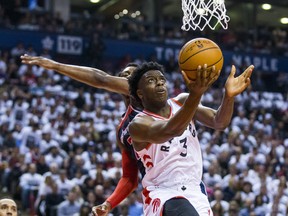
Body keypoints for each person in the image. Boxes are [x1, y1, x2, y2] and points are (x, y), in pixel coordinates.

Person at [126, 61, 253, 215]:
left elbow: (219, 122)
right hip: (163, 192)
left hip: (194, 190)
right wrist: (196, 94)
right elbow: (172, 130)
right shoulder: (138, 124)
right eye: (151, 81)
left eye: (161, 79)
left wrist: (229, 96)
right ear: (140, 93)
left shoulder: (182, 101)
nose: (159, 83)